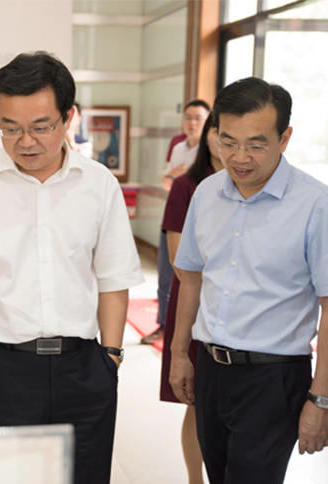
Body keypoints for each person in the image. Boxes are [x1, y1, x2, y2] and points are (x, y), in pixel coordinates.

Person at [0, 51, 144, 484]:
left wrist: (111, 358)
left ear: (69, 117)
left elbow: (114, 278)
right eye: (10, 128)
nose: (25, 141)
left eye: (41, 127)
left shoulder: (98, 184)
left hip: (83, 370)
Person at [170, 77, 328, 483]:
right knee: (217, 474)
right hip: (210, 369)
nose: (239, 157)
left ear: (284, 138)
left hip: (273, 378)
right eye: (228, 142)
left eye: (256, 145)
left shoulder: (315, 204)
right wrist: (179, 353)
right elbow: (191, 279)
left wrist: (321, 399)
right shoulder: (206, 193)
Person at [159, 114, 223, 484]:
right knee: (196, 403)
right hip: (194, 305)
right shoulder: (187, 186)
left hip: (235, 313)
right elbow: (177, 257)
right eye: (219, 131)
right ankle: (195, 479)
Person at [142, 99, 210, 345]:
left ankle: (192, 330)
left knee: (191, 277)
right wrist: (175, 177)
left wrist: (179, 179)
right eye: (188, 117)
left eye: (198, 118)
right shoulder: (178, 145)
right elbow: (167, 181)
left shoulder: (210, 150)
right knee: (165, 275)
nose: (192, 123)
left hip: (200, 222)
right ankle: (163, 325)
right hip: (174, 216)